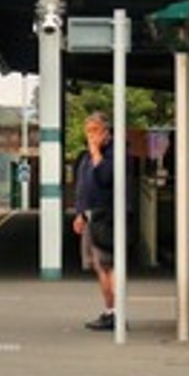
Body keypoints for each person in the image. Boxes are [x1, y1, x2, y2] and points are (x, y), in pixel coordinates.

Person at [72, 111, 115, 331]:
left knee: (108, 264)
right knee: (98, 266)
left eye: (95, 131)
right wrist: (79, 213)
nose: (91, 136)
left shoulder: (113, 154)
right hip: (90, 217)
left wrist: (97, 151)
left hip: (106, 217)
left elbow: (105, 178)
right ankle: (109, 310)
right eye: (88, 131)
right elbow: (82, 187)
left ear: (106, 132)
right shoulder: (86, 157)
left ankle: (115, 312)